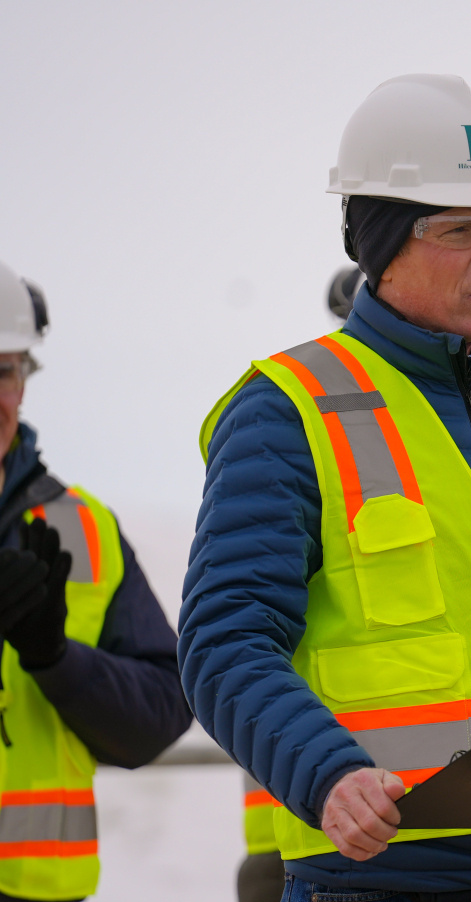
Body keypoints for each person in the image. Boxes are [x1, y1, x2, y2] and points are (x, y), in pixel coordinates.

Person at [179, 74, 471, 902]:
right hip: (378, 878)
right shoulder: (286, 411)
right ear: (380, 244)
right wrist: (328, 775)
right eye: (459, 228)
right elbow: (225, 643)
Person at [0, 259, 192, 901]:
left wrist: (56, 659)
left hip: (41, 890)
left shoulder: (80, 528)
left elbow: (160, 714)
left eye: (3, 371)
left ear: (24, 381)